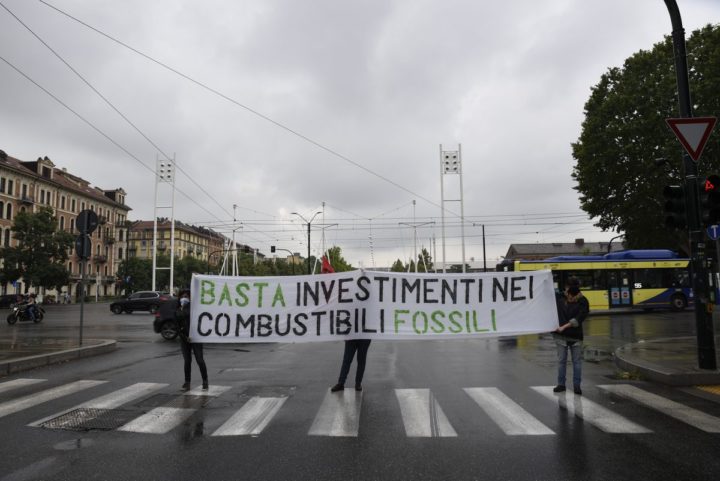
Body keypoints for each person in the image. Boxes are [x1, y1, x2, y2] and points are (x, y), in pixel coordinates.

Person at [553, 277, 589, 395]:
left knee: (564, 361)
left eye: (567, 286)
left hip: (567, 335)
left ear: (568, 287)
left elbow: (578, 318)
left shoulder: (580, 300)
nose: (566, 289)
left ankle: (565, 385)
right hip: (572, 336)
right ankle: (572, 386)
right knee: (574, 362)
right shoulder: (582, 300)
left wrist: (563, 327)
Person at [176, 289, 209, 390]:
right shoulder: (178, 309)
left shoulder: (194, 308)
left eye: (186, 296)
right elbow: (177, 325)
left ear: (190, 298)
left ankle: (205, 381)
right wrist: (185, 337)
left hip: (196, 337)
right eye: (182, 297)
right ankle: (187, 382)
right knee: (187, 361)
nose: (183, 298)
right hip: (185, 339)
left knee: (200, 360)